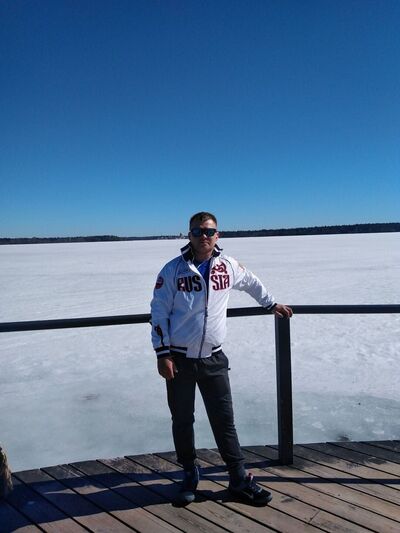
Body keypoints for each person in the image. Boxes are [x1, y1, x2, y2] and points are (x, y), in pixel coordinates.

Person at [150, 212, 292, 505]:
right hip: (179, 360)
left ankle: (238, 478)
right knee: (182, 420)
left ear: (218, 235)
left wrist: (270, 304)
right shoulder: (173, 270)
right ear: (189, 235)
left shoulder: (227, 266)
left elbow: (251, 281)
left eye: (209, 231)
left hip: (214, 359)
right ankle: (189, 473)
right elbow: (159, 311)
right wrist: (162, 353)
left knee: (224, 420)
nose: (203, 236)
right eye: (197, 231)